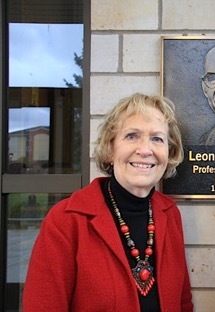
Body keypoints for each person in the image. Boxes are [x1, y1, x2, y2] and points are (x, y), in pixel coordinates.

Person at [23, 93, 193, 312]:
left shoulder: (169, 214)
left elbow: (182, 302)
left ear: (169, 153)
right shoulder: (66, 221)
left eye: (157, 139)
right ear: (110, 149)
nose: (144, 150)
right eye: (132, 136)